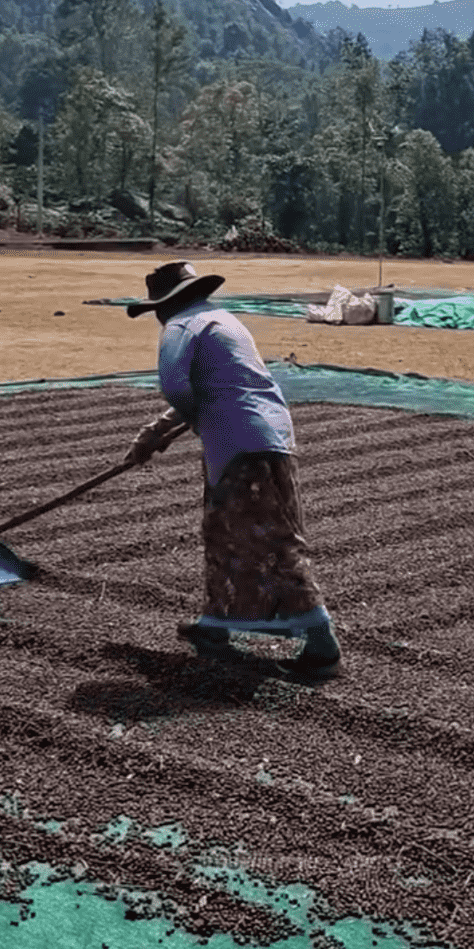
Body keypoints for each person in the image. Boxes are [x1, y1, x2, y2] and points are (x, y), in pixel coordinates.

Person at [126, 261, 342, 682]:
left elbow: (177, 387)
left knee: (273, 541)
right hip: (266, 435)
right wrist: (154, 435)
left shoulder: (181, 328)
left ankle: (321, 646)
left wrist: (157, 437)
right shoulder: (222, 320)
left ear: (163, 306)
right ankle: (216, 625)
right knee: (224, 531)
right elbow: (211, 389)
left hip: (240, 441)